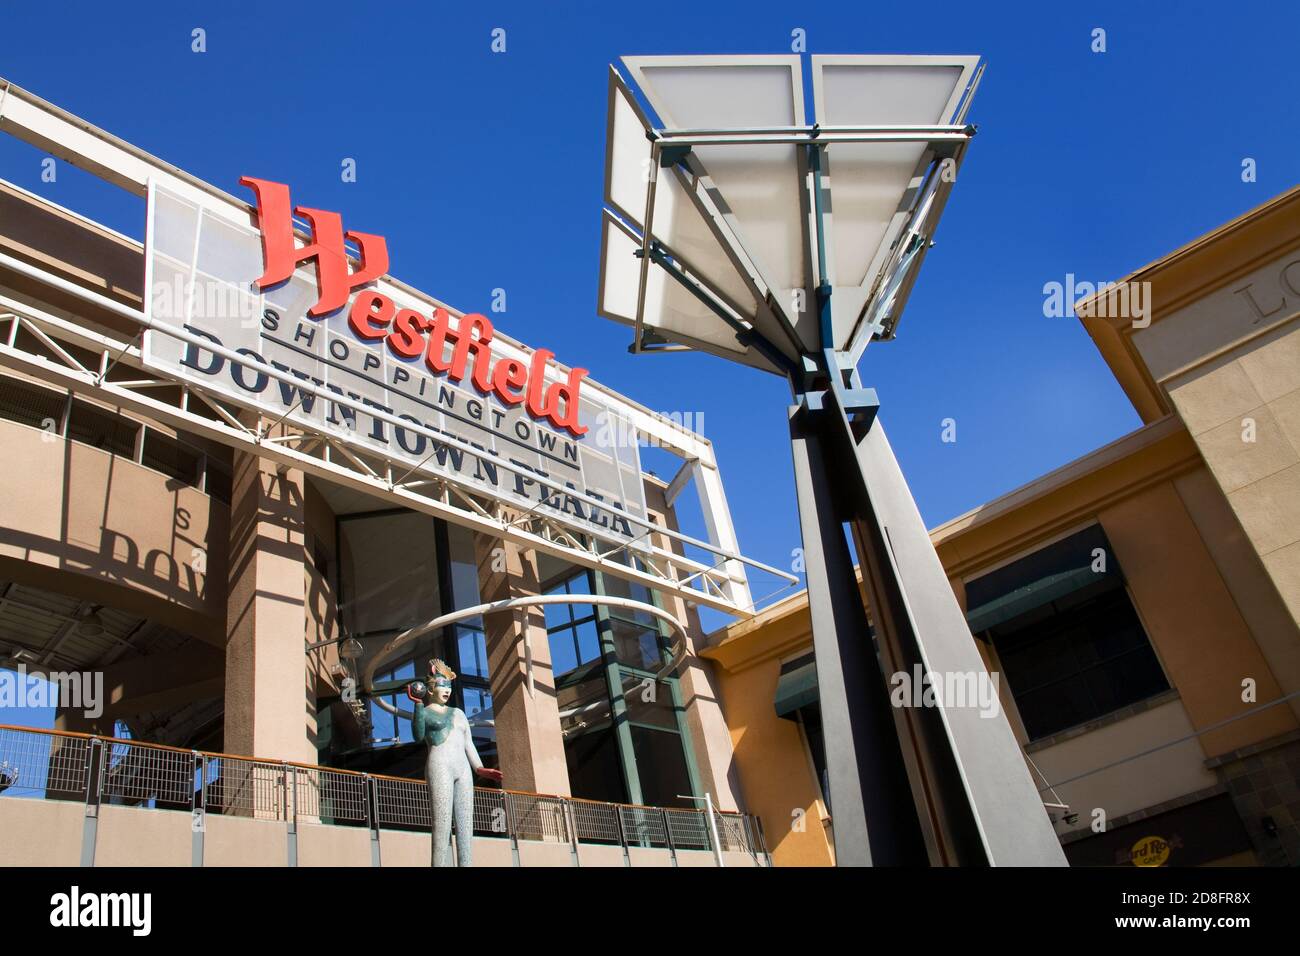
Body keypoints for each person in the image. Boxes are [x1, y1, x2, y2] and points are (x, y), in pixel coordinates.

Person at [407, 659, 503, 867]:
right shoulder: (424, 711)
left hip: (464, 769)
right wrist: (417, 705)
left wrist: (479, 768)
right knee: (441, 825)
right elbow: (417, 735)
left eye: (449, 687)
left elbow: (469, 743)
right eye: (443, 686)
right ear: (431, 688)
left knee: (466, 826)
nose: (447, 691)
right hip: (440, 764)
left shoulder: (458, 714)